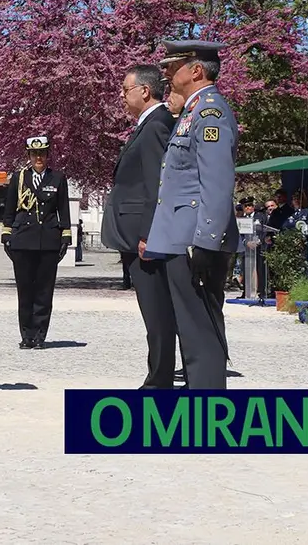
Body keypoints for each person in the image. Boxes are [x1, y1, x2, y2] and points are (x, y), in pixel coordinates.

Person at [145, 40, 239, 390]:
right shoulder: (192, 112)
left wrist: (206, 241)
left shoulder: (210, 113)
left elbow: (216, 181)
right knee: (192, 329)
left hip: (194, 239)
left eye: (173, 67)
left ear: (196, 70)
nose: (167, 74)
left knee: (201, 331)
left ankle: (208, 408)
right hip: (181, 237)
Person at [102, 64, 177, 387]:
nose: (122, 96)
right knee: (153, 310)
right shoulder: (148, 124)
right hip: (135, 233)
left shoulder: (157, 125)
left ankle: (159, 380)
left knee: (156, 310)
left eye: (125, 90)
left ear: (144, 91)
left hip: (144, 237)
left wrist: (148, 233)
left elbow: (156, 184)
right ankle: (158, 374)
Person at [1, 136, 72, 349]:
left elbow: (63, 209)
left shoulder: (57, 178)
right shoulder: (19, 178)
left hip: (48, 241)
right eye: (34, 154)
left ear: (47, 155)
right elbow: (10, 207)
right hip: (23, 240)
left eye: (42, 154)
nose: (38, 158)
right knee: (25, 291)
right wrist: (6, 234)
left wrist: (66, 236)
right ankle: (27, 335)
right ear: (29, 156)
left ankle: (40, 336)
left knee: (44, 291)